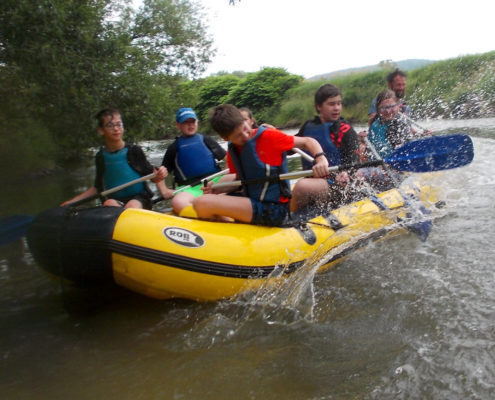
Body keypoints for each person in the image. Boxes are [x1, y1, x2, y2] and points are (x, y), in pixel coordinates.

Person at [191, 104, 329, 226]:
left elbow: (307, 141)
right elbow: (240, 180)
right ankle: (232, 233)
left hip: (274, 209)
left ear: (246, 121)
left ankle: (234, 234)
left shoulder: (269, 137)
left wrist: (321, 159)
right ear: (226, 138)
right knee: (200, 203)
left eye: (245, 129)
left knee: (203, 203)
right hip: (252, 202)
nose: (246, 136)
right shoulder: (233, 150)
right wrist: (217, 190)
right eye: (238, 136)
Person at [61, 108, 167, 209]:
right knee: (108, 203)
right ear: (101, 130)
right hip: (115, 200)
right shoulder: (101, 156)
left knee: (131, 206)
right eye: (110, 125)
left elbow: (153, 176)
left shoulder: (133, 151)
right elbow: (97, 188)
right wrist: (73, 202)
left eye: (118, 124)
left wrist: (160, 174)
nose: (116, 129)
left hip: (139, 199)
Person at [290, 84, 361, 212]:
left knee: (301, 187)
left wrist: (346, 173)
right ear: (319, 106)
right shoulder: (308, 127)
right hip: (315, 182)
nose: (337, 108)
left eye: (339, 103)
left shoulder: (345, 130)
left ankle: (288, 220)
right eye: (331, 104)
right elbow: (289, 148)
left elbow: (354, 160)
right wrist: (273, 135)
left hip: (337, 183)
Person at [160, 107, 227, 211]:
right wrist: (164, 190)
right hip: (189, 188)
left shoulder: (206, 140)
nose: (190, 125)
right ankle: (203, 213)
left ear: (197, 123)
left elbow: (228, 159)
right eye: (186, 122)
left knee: (229, 190)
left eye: (193, 121)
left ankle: (216, 209)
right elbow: (160, 173)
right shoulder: (174, 148)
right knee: (178, 202)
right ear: (178, 125)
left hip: (213, 182)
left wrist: (224, 175)